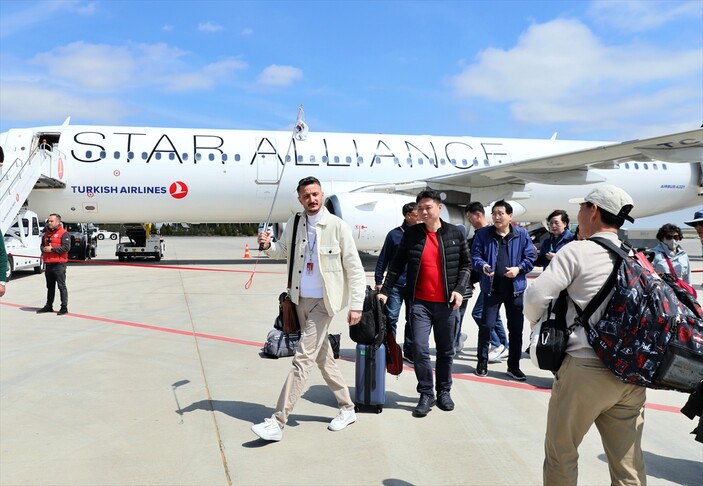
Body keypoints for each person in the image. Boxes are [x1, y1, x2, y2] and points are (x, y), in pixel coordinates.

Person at [524, 184, 646, 486]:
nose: (578, 214)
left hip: (585, 369)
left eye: (581, 207)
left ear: (593, 210)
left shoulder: (578, 250)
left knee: (561, 454)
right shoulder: (637, 258)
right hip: (631, 374)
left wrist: (536, 324)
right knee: (628, 464)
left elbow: (535, 296)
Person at [251, 176, 366, 441]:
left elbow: (355, 269)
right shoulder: (295, 223)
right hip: (299, 300)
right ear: (300, 198)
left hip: (324, 303)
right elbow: (283, 251)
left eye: (315, 194)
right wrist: (268, 245)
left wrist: (356, 305)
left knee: (302, 359)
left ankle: (278, 421)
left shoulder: (338, 227)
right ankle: (347, 408)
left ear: (322, 194)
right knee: (323, 358)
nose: (311, 200)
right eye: (306, 196)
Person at [379, 189, 470, 417]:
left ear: (439, 208)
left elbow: (466, 266)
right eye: (420, 208)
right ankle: (426, 393)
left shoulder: (455, 234)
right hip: (420, 303)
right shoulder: (412, 235)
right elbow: (397, 265)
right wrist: (385, 290)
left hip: (447, 305)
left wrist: (459, 290)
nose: (424, 211)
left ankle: (444, 391)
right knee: (419, 348)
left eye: (428, 207)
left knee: (446, 351)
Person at [471, 200, 535, 380]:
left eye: (501, 213)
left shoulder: (521, 234)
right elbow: (475, 255)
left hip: (515, 290)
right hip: (492, 289)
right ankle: (482, 363)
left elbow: (530, 257)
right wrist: (482, 265)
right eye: (494, 213)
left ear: (510, 216)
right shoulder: (484, 234)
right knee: (486, 327)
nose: (497, 217)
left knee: (515, 329)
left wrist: (518, 269)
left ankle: (513, 366)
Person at [465, 202, 508, 362]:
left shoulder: (485, 234)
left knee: (478, 313)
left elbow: (482, 259)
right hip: (487, 280)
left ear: (477, 215)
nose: (469, 221)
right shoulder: (483, 233)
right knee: (494, 317)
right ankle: (504, 346)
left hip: (491, 281)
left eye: (469, 217)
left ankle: (497, 344)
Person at [374, 202, 418, 359]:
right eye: (416, 214)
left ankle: (409, 351)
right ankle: (391, 349)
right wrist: (379, 280)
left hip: (414, 285)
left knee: (413, 319)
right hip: (396, 285)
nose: (420, 216)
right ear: (407, 216)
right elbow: (383, 258)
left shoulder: (421, 234)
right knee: (391, 318)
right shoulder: (394, 235)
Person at [37, 213, 71, 315]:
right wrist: (43, 249)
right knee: (50, 287)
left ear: (58, 222)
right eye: (48, 221)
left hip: (59, 264)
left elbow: (66, 248)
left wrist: (52, 249)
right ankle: (49, 305)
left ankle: (64, 307)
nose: (49, 223)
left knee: (61, 286)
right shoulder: (46, 233)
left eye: (51, 221)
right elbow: (42, 246)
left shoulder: (64, 233)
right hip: (49, 264)